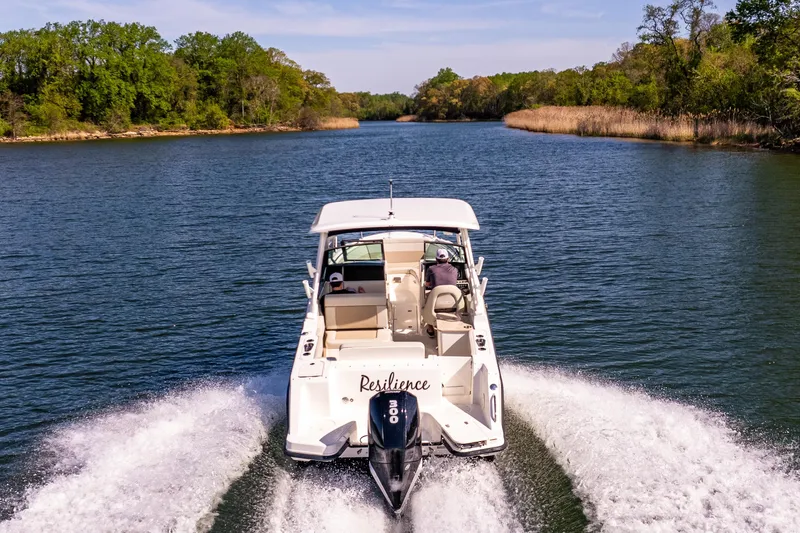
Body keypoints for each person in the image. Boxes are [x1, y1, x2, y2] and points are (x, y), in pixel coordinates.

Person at [424, 248, 459, 337]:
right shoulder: (455, 269)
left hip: (436, 303)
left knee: (423, 301)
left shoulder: (431, 269)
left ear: (436, 259)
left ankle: (430, 329)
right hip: (453, 303)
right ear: (448, 259)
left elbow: (427, 284)